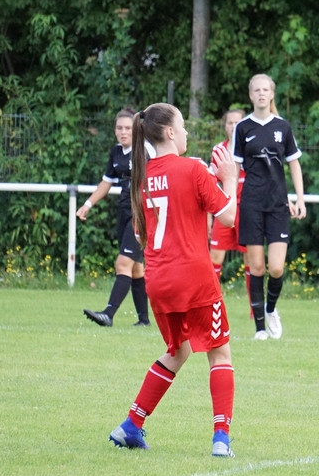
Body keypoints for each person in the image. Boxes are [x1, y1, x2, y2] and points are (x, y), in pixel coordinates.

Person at [108, 103, 239, 457]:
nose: (185, 133)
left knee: (178, 351)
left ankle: (131, 425)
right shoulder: (193, 168)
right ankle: (221, 439)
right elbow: (228, 217)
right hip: (194, 277)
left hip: (159, 280)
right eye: (182, 127)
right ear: (169, 132)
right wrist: (228, 178)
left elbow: (141, 235)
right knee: (219, 353)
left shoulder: (142, 177)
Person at [232, 74, 306, 340]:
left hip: (278, 205)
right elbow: (234, 168)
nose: (261, 93)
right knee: (257, 268)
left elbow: (294, 163)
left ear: (272, 94)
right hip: (251, 204)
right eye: (257, 90)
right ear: (250, 95)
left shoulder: (282, 127)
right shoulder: (242, 128)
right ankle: (260, 329)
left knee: (276, 268)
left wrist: (300, 198)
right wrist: (229, 201)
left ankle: (271, 309)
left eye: (266, 90)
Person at [77, 107, 150, 327]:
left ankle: (108, 314)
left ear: (136, 130)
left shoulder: (145, 150)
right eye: (119, 128)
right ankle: (144, 320)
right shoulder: (116, 152)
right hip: (124, 211)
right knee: (135, 268)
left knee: (123, 262)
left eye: (128, 128)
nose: (123, 132)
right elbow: (107, 182)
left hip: (141, 214)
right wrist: (87, 204)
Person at [209, 108, 247, 283]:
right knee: (215, 256)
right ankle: (212, 299)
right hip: (224, 208)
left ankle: (254, 302)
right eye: (230, 123)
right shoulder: (219, 149)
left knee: (251, 259)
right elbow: (210, 183)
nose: (233, 126)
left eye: (237, 122)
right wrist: (208, 216)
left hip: (247, 208)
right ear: (225, 126)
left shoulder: (250, 148)